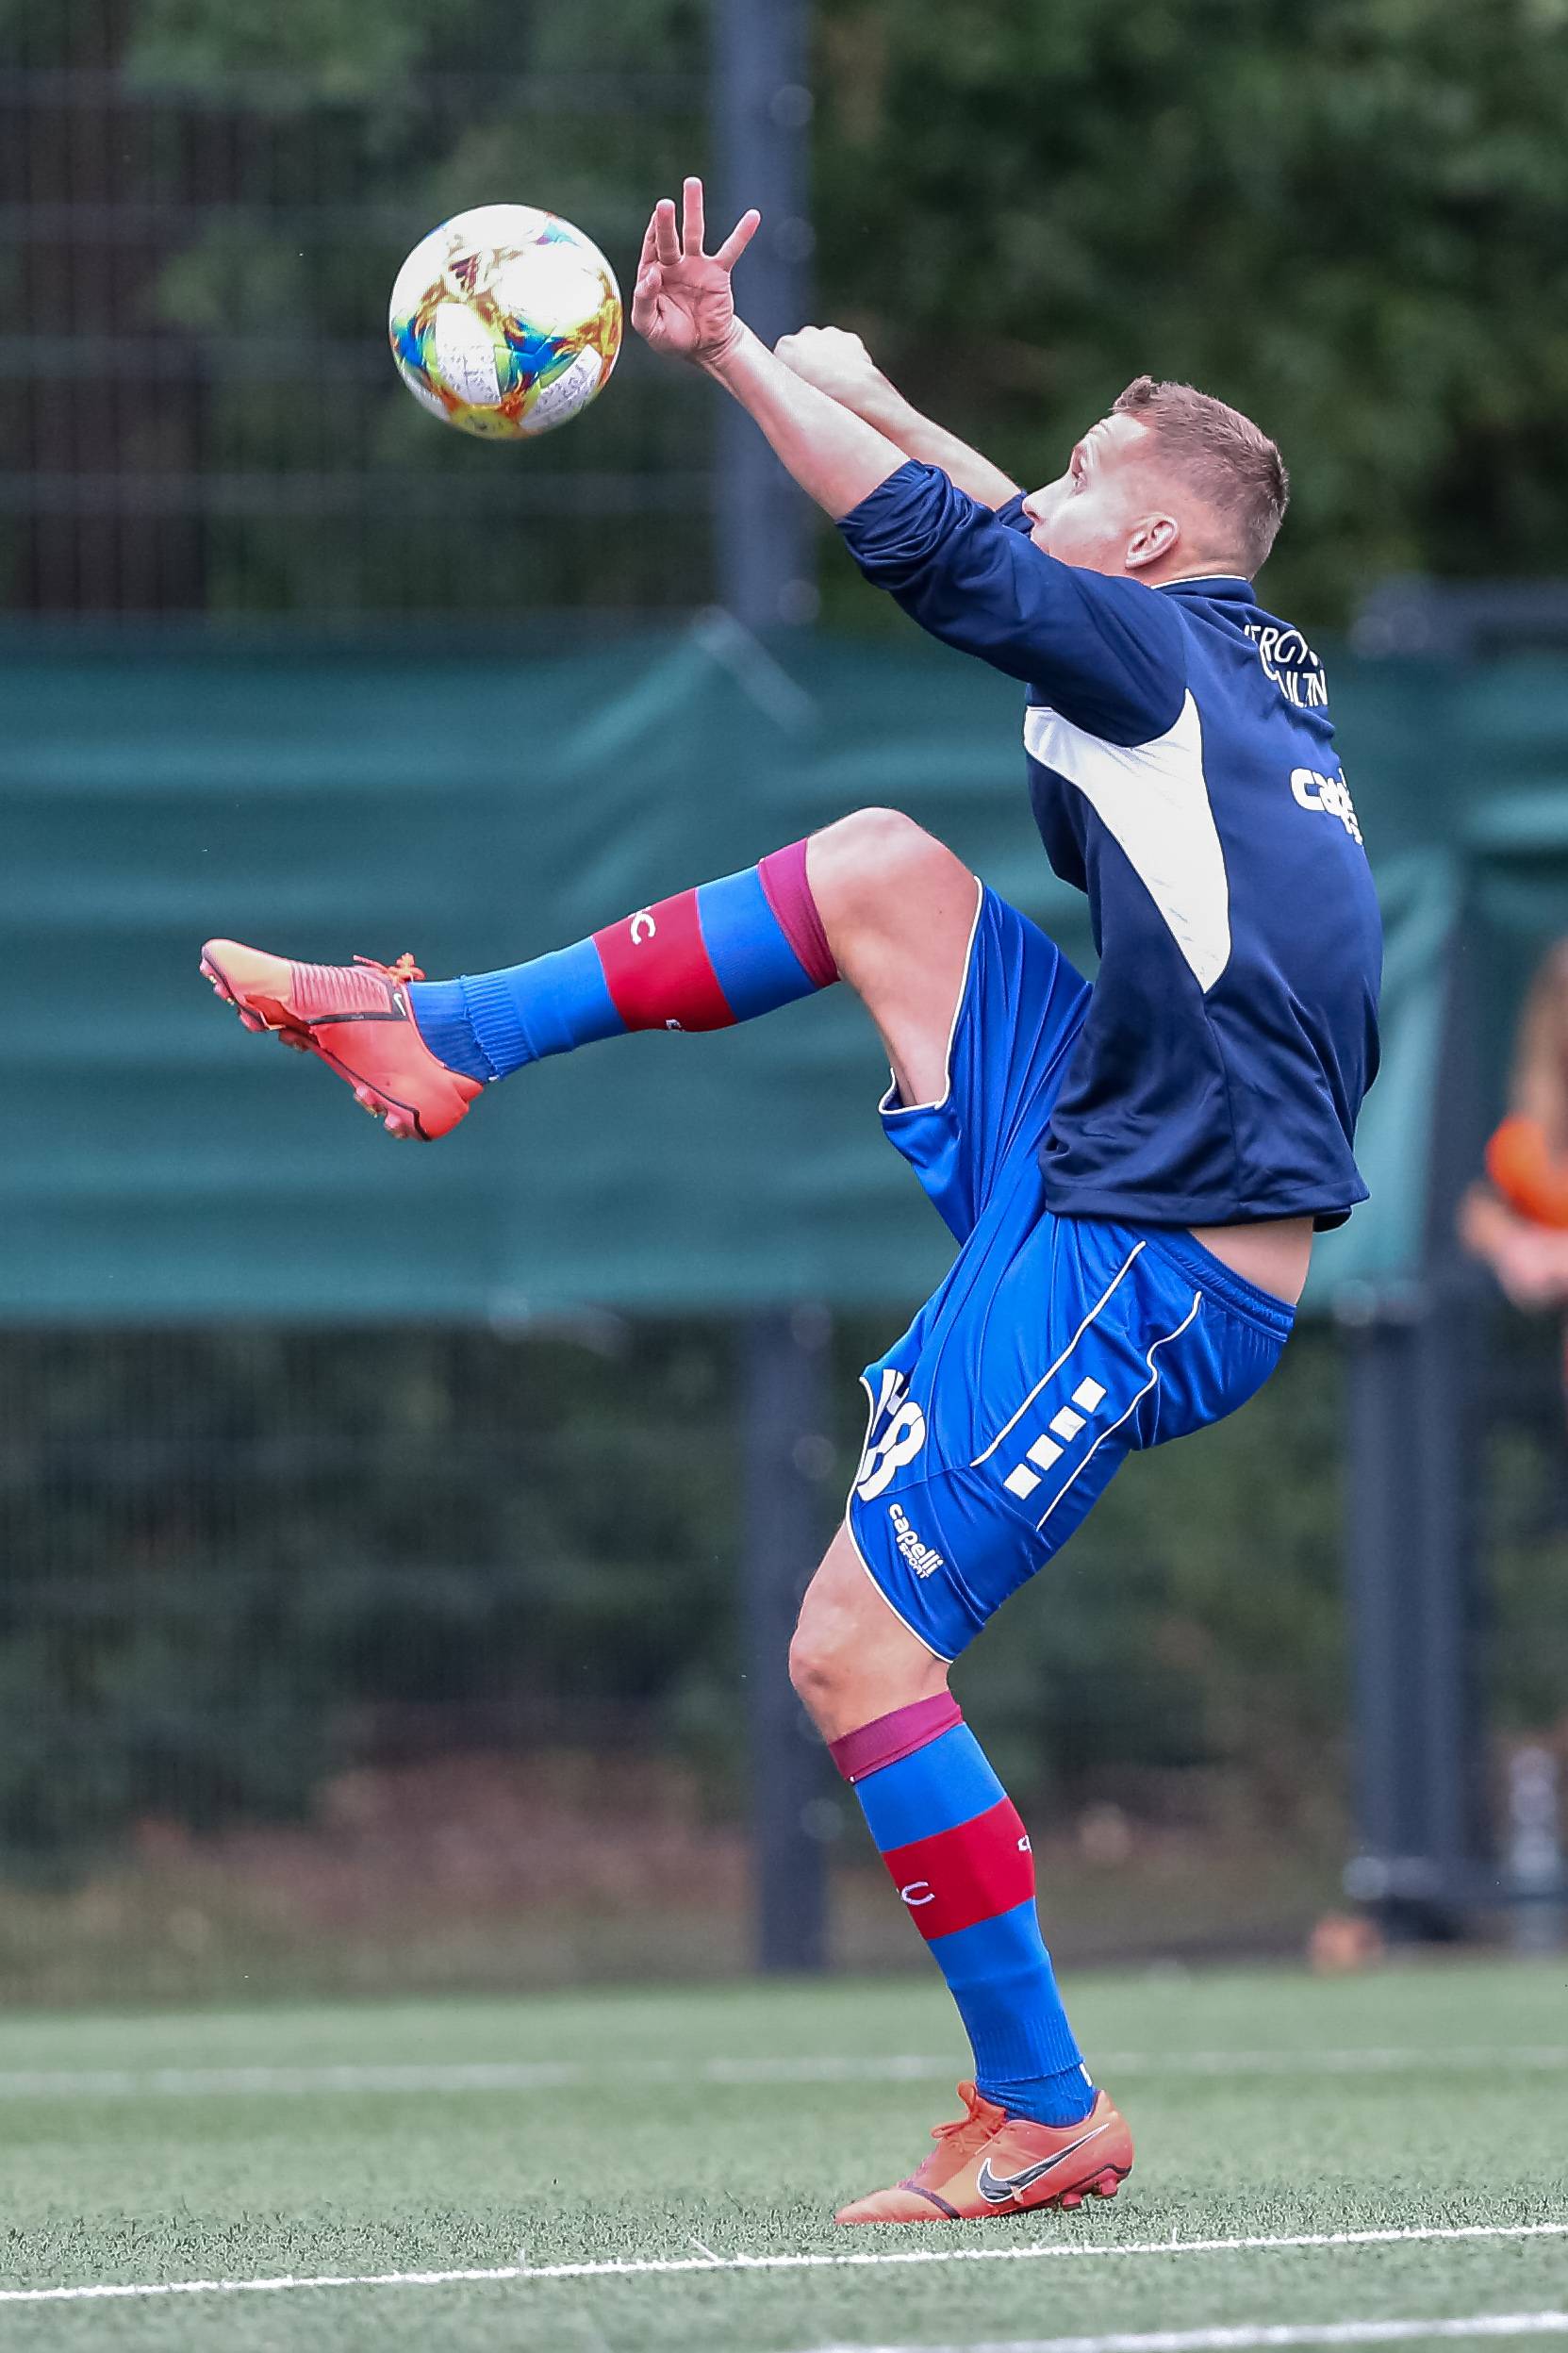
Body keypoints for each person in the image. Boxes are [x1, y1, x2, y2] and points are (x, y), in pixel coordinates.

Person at [200, 180, 1382, 2225]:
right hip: (1116, 1155)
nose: (1046, 488)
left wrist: (739, 360)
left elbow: (955, 549)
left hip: (1157, 1259)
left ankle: (1044, 2110)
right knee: (879, 870)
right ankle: (443, 1035)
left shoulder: (1154, 656)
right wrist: (888, 398)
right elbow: (1018, 527)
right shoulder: (1219, 654)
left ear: (1151, 547)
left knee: (853, 1654)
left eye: (1085, 473)